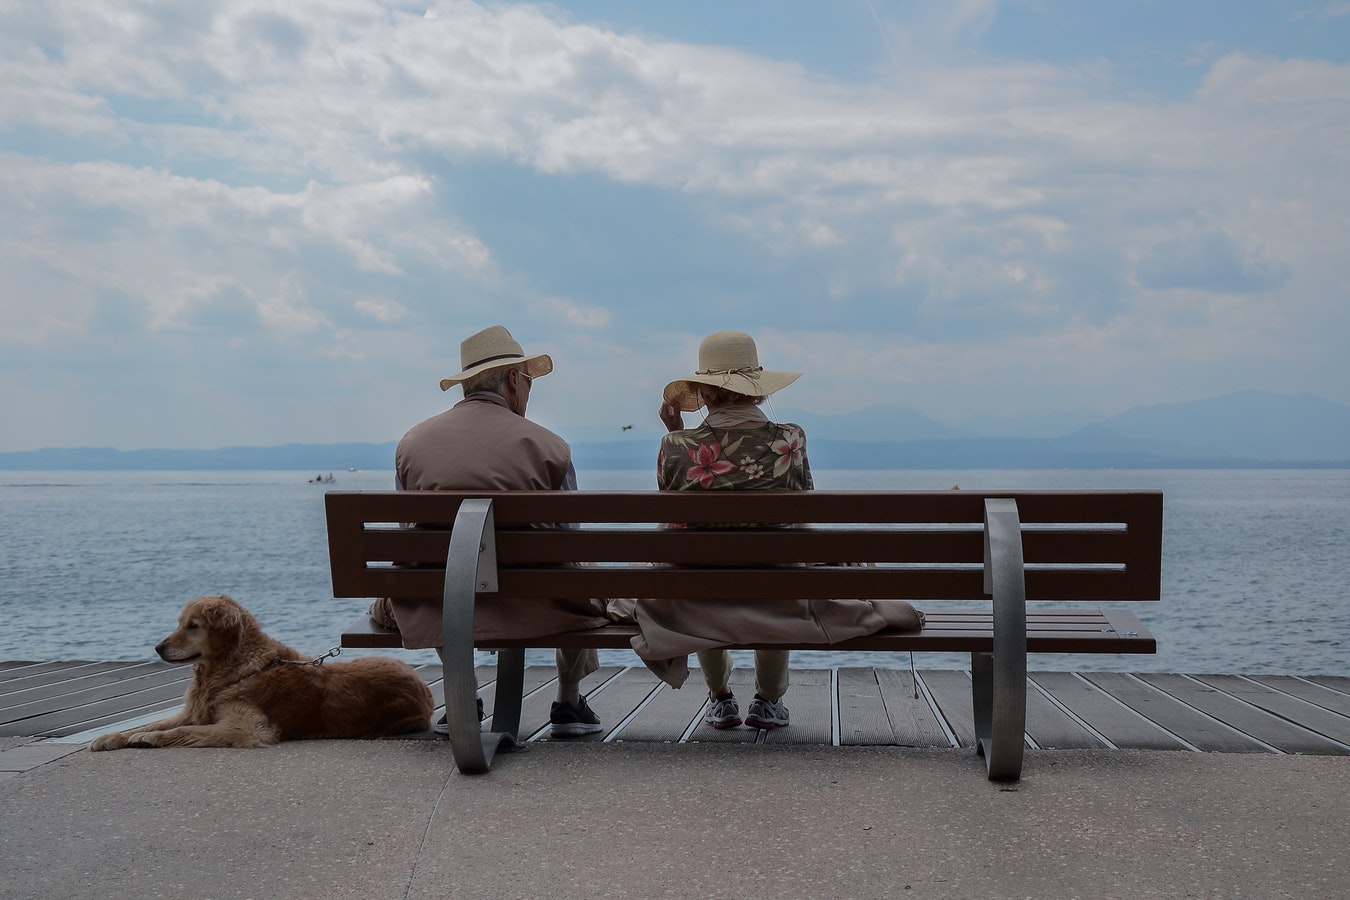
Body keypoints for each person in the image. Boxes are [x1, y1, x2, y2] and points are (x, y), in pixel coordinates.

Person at [632, 331, 925, 731]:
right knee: (782, 569)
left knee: (693, 573)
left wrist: (677, 432)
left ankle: (720, 698)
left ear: (703, 390)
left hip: (696, 592)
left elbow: (671, 523)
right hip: (779, 589)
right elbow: (803, 506)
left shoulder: (675, 444)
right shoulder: (790, 438)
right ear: (757, 389)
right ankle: (768, 700)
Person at [367, 325, 610, 737]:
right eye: (529, 380)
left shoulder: (412, 443)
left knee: (436, 573)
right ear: (514, 380)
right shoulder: (551, 446)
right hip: (538, 605)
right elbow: (571, 540)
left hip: (434, 603)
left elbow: (408, 533)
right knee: (579, 572)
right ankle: (568, 701)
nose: (530, 391)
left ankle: (464, 697)